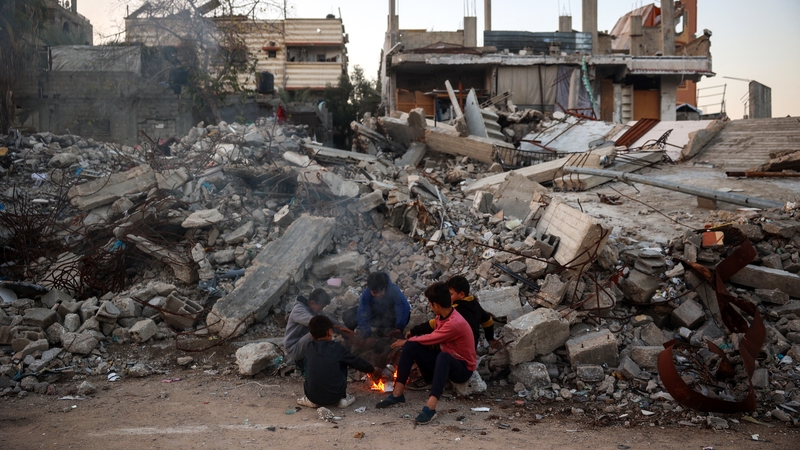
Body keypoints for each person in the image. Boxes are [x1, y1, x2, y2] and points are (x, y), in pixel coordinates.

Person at [374, 282, 477, 425]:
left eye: (430, 303)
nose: (430, 306)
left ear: (436, 305)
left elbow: (432, 338)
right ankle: (397, 394)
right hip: (446, 362)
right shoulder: (443, 315)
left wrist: (406, 341)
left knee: (442, 356)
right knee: (412, 347)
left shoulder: (455, 323)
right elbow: (430, 329)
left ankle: (431, 406)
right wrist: (411, 337)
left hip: (463, 369)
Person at [297, 316, 382, 409]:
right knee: (343, 362)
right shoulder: (336, 348)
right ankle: (343, 398)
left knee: (310, 362)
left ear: (312, 335)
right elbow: (355, 361)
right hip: (335, 395)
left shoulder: (309, 347)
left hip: (312, 396)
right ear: (330, 332)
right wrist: (372, 369)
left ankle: (312, 401)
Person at [408, 275, 501, 350]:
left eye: (450, 294)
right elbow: (488, 321)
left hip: (458, 349)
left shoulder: (454, 310)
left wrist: (414, 331)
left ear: (461, 294)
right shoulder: (474, 303)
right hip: (472, 346)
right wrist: (490, 338)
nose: (448, 297)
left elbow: (434, 323)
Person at [284, 289, 351, 371]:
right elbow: (317, 324)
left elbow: (333, 322)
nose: (321, 310)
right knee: (320, 331)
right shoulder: (298, 310)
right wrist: (336, 328)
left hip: (306, 345)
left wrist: (349, 333)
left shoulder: (317, 310)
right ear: (312, 303)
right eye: (321, 307)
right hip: (295, 348)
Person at [343, 272, 410, 341]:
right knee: (349, 315)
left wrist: (399, 328)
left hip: (390, 318)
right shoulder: (366, 294)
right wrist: (366, 336)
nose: (378, 295)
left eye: (380, 291)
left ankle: (387, 331)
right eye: (374, 292)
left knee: (406, 314)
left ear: (384, 286)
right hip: (376, 317)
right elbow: (363, 313)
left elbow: (402, 306)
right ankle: (349, 338)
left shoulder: (393, 289)